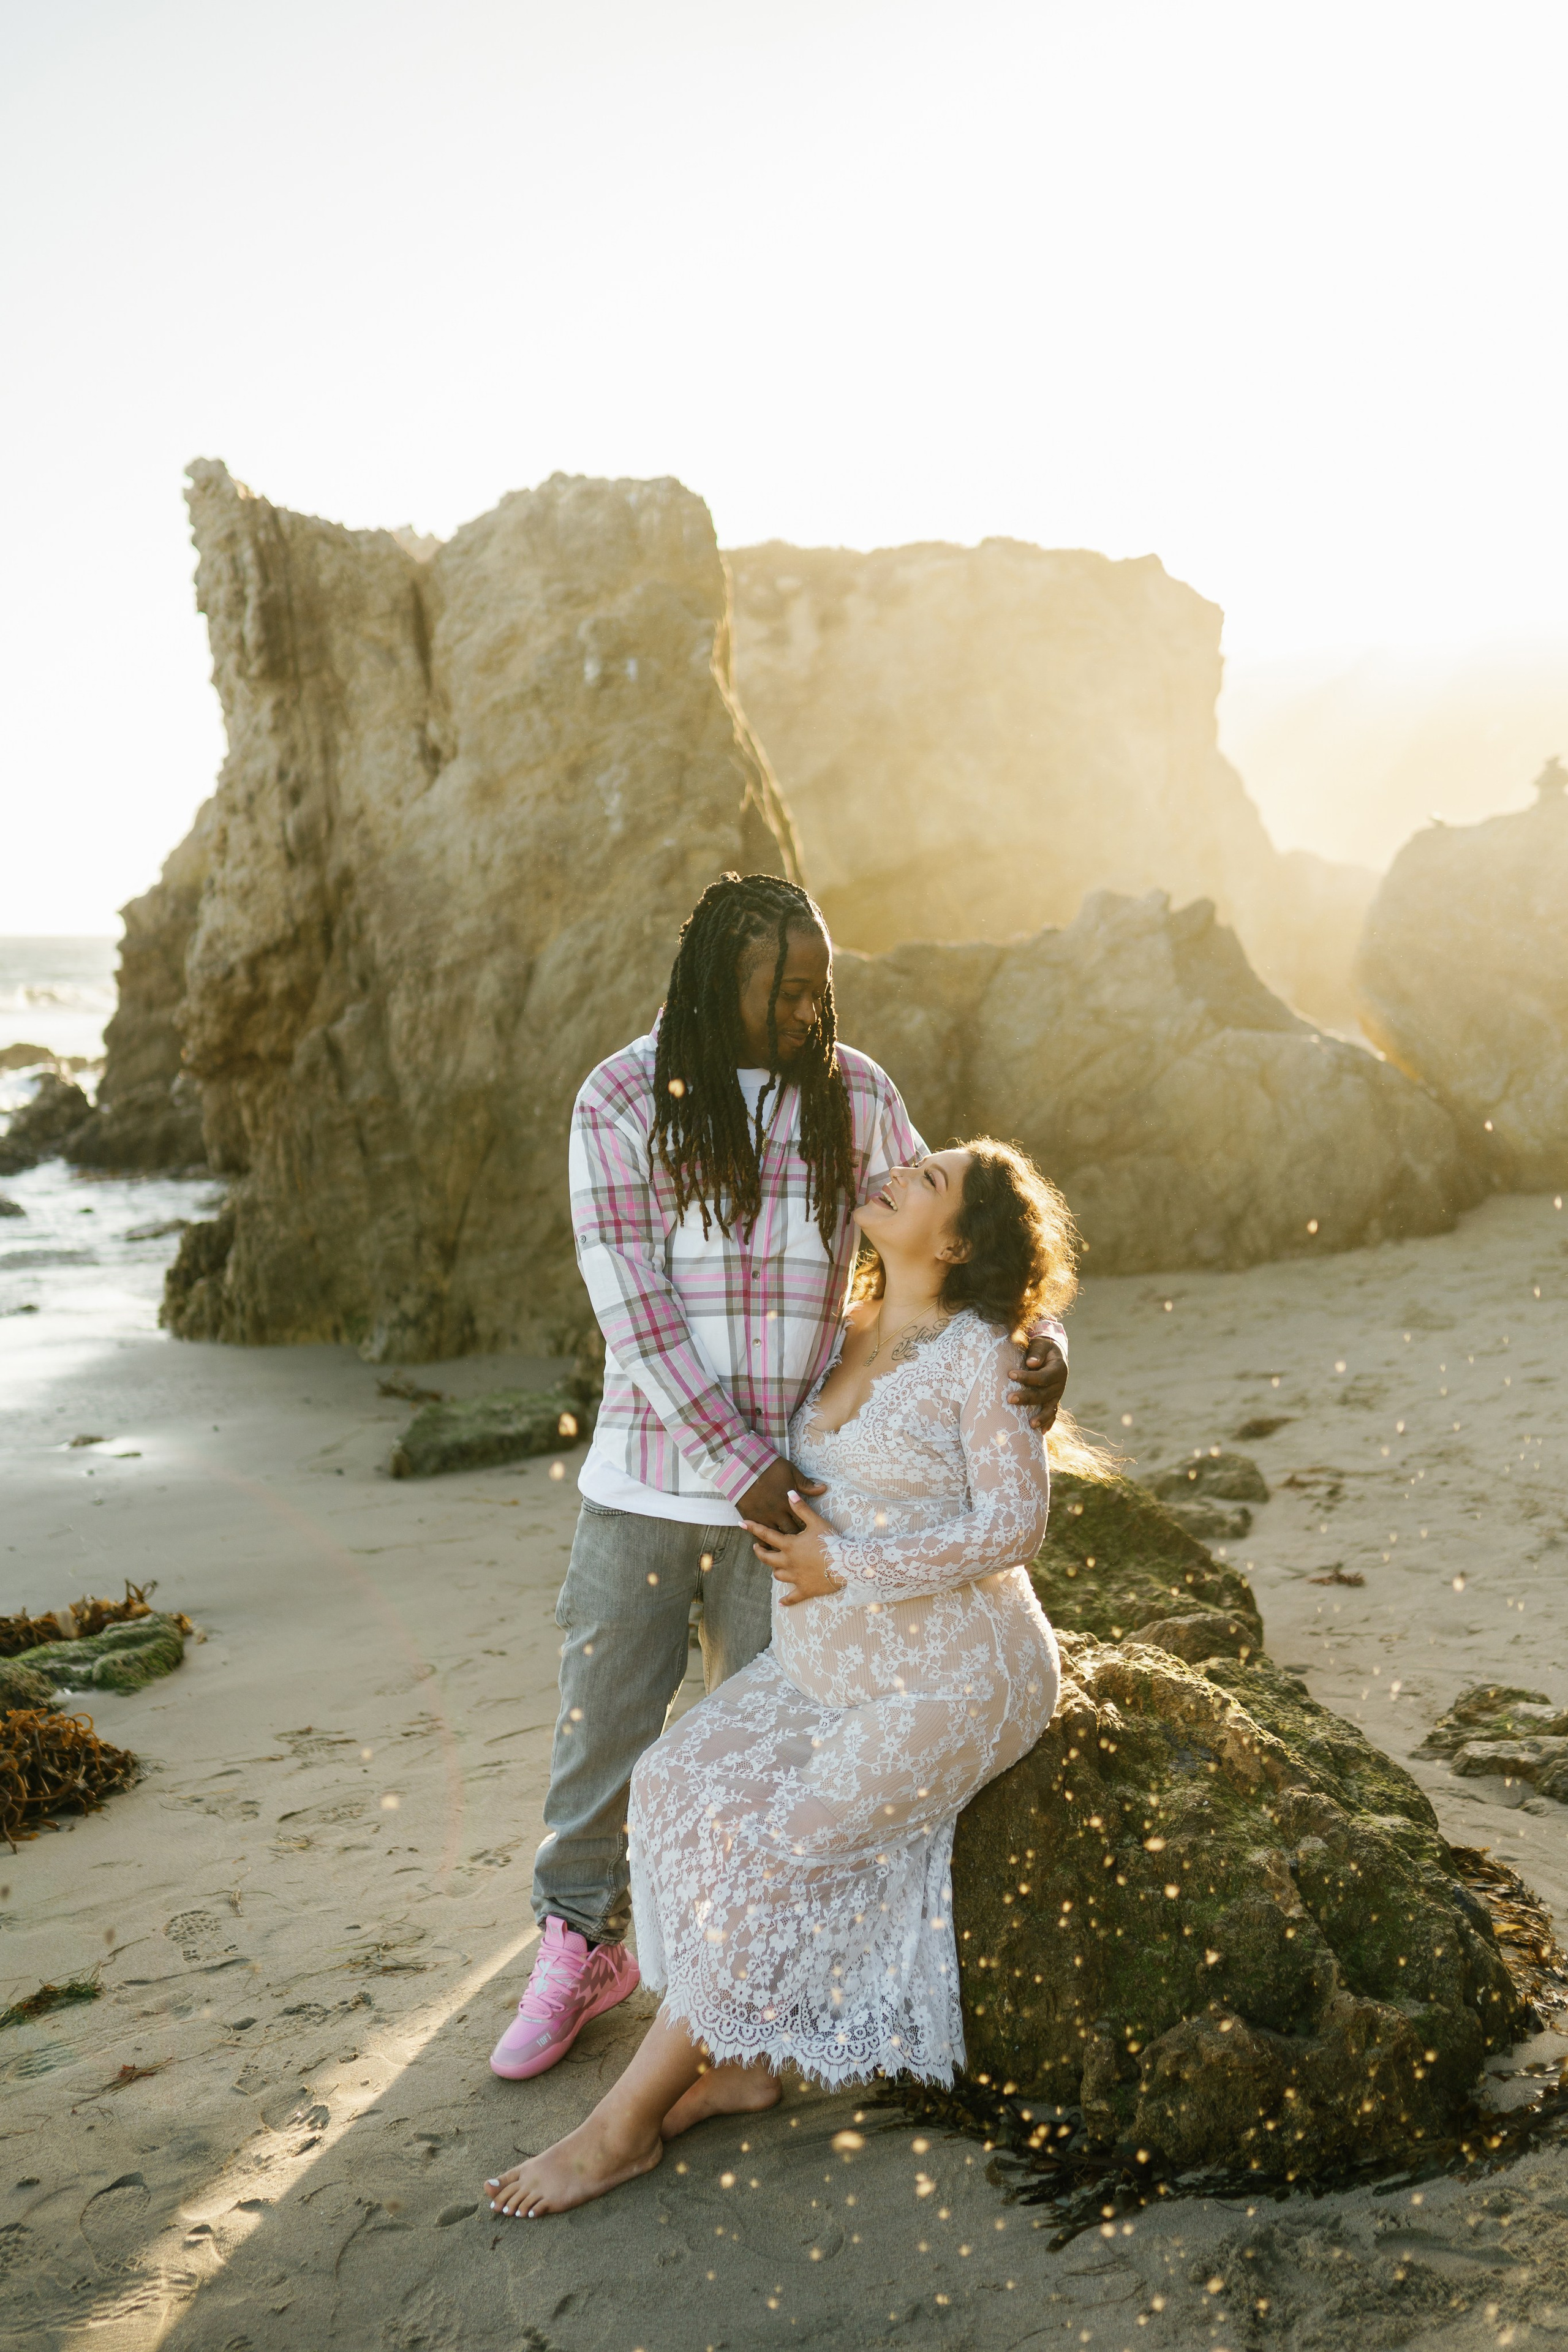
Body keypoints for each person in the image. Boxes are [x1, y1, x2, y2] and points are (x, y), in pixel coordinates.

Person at [489, 873, 1068, 2082]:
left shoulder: (854, 1094)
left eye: (820, 986)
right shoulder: (618, 1098)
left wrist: (1040, 1345)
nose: (810, 1011)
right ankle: (575, 1947)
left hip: (804, 1517)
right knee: (601, 1739)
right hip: (647, 1485)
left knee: (777, 1765)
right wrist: (737, 1463)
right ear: (716, 981)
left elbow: (954, 1242)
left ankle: (722, 2003)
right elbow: (634, 1315)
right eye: (783, 989)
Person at [482, 1136, 1074, 2216]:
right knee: (675, 1785)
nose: (896, 1175)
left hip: (956, 1676)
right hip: (832, 1664)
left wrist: (842, 1561)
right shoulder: (842, 1321)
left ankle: (619, 2130)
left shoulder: (987, 1353)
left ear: (961, 1243)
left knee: (786, 1853)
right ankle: (746, 2064)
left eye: (929, 1181)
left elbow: (1017, 1526)